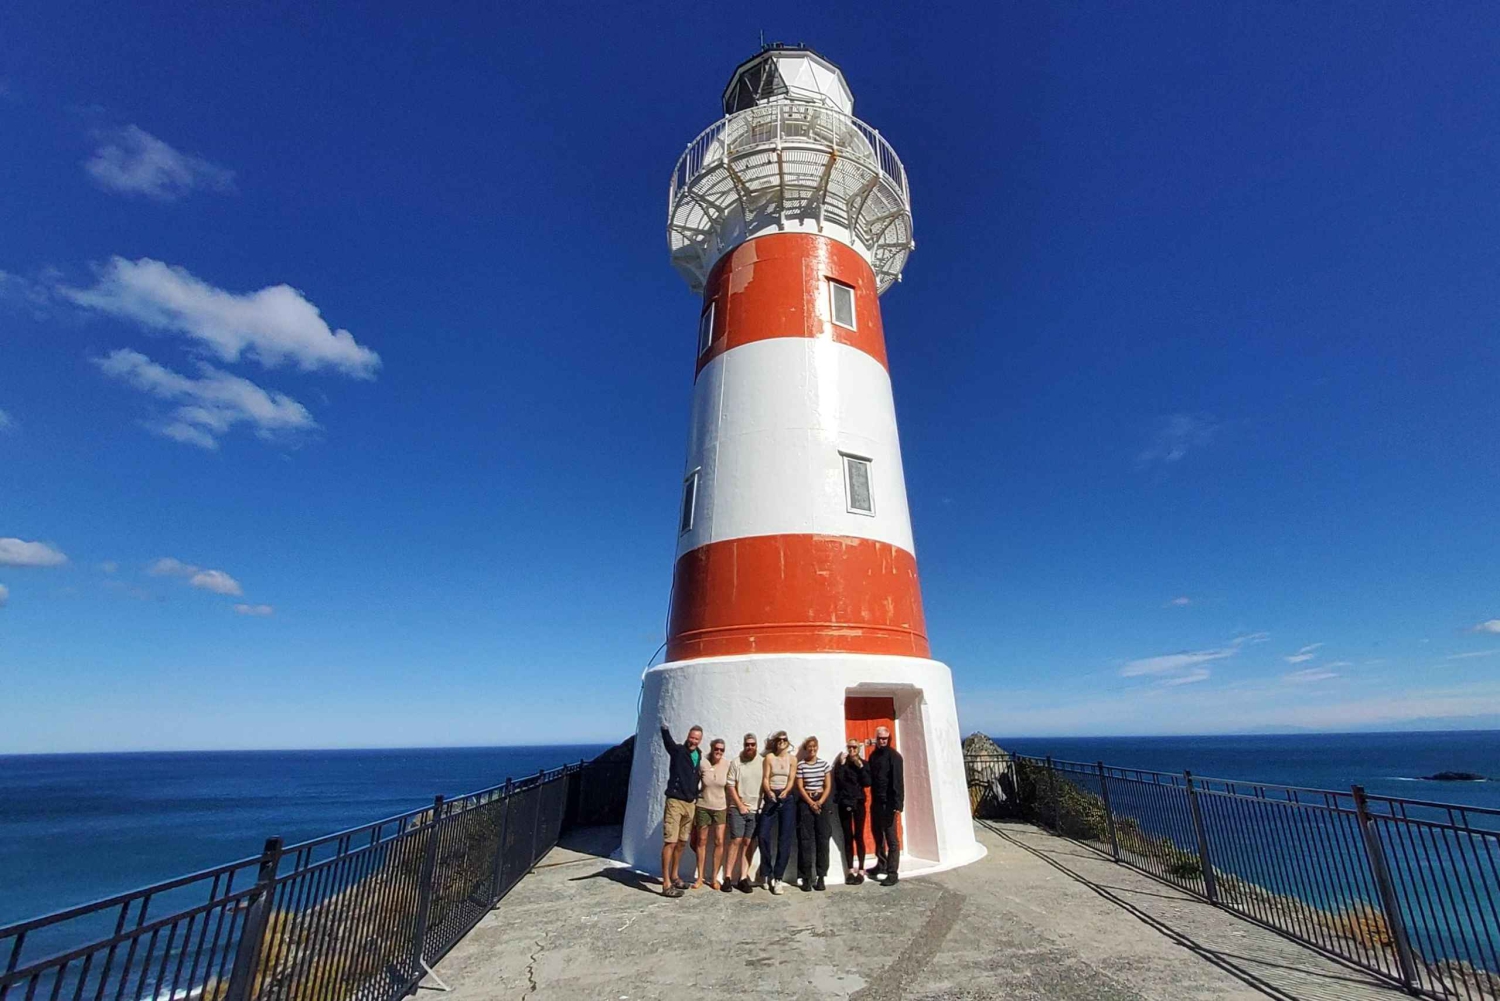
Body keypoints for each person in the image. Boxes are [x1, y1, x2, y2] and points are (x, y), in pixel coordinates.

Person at [658, 724, 702, 897]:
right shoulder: (677, 751)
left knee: (682, 841)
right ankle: (666, 883)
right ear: (687, 736)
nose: (693, 741)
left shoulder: (699, 754)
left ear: (700, 740)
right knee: (670, 842)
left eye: (696, 739)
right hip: (675, 801)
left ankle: (675, 876)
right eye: (692, 737)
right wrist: (664, 729)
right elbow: (668, 742)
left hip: (690, 803)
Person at [756, 730, 797, 894]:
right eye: (779, 739)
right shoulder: (769, 758)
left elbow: (791, 778)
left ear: (788, 742)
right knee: (763, 835)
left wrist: (786, 791)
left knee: (784, 839)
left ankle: (778, 877)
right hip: (771, 796)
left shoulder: (792, 759)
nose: (781, 742)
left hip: (787, 799)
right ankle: (766, 872)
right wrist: (769, 792)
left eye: (784, 739)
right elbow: (765, 778)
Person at [722, 732, 761, 894]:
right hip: (737, 808)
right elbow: (730, 785)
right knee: (736, 840)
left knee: (748, 842)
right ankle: (727, 877)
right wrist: (739, 805)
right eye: (747, 744)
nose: (750, 747)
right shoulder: (736, 763)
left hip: (755, 809)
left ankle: (743, 878)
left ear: (756, 746)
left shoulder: (762, 762)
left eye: (752, 744)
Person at [793, 736, 833, 892]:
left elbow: (828, 785)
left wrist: (820, 802)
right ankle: (806, 878)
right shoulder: (801, 765)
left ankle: (821, 876)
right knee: (805, 840)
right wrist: (811, 803)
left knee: (823, 840)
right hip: (806, 803)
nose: (812, 749)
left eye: (814, 746)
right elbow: (800, 786)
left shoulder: (824, 764)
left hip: (821, 802)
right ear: (805, 749)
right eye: (809, 746)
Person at [867, 725, 904, 886]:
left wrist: (898, 804)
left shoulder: (894, 757)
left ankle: (892, 873)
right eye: (880, 738)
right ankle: (881, 864)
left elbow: (898, 781)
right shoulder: (873, 756)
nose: (882, 741)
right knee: (877, 834)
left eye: (885, 738)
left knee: (891, 839)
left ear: (888, 739)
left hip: (889, 803)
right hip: (876, 802)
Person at [691, 738, 730, 889]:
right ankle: (700, 877)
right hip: (703, 805)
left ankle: (714, 878)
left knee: (719, 841)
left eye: (721, 749)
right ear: (712, 748)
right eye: (716, 748)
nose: (719, 751)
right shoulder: (703, 763)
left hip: (720, 807)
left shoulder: (727, 765)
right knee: (701, 841)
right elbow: (694, 782)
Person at [833, 737, 872, 884]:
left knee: (859, 836)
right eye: (849, 747)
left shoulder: (864, 764)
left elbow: (867, 782)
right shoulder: (842, 764)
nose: (851, 750)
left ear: (859, 749)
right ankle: (850, 870)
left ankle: (861, 870)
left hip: (858, 803)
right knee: (847, 837)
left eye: (854, 747)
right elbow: (839, 781)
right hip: (844, 803)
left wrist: (860, 766)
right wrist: (842, 765)